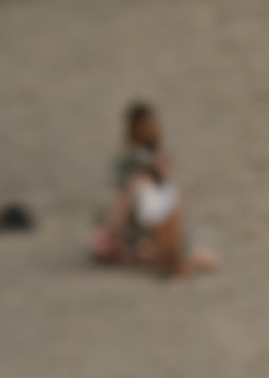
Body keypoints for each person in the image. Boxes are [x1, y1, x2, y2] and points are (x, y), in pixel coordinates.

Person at [91, 101, 219, 278]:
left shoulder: (156, 159)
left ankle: (173, 259)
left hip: (154, 224)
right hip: (137, 225)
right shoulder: (128, 165)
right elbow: (120, 200)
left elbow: (165, 192)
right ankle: (172, 260)